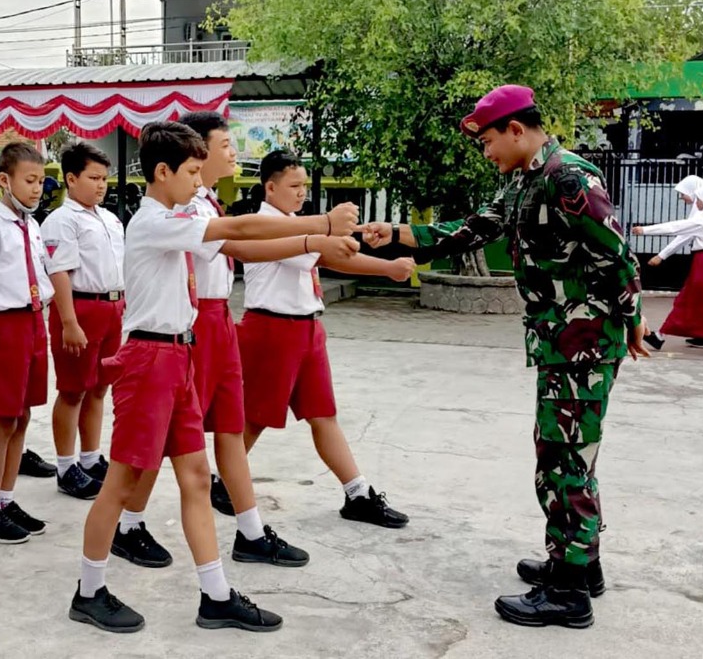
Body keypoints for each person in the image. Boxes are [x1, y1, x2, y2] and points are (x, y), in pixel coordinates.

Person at [365, 85, 650, 629]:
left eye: (489, 140)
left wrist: (632, 318)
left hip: (583, 342)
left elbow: (614, 253)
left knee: (562, 459)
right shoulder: (525, 181)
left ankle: (568, 594)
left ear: (517, 129)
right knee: (569, 454)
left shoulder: (568, 177)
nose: (486, 152)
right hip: (561, 340)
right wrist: (398, 235)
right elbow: (472, 229)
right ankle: (579, 564)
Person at [68, 120, 359, 635]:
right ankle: (89, 591)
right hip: (149, 361)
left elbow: (237, 243)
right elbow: (239, 231)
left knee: (198, 479)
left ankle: (216, 596)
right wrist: (321, 226)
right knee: (120, 482)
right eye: (194, 171)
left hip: (180, 355)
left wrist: (315, 234)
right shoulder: (154, 220)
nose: (201, 181)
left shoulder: (178, 213)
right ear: (162, 172)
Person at [239, 150, 415, 532]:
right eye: (294, 186)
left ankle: (357, 493)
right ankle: (221, 482)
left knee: (323, 414)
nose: (301, 193)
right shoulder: (267, 226)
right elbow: (322, 254)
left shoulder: (293, 223)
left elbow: (328, 251)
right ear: (270, 188)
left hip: (305, 328)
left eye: (304, 186)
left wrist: (369, 249)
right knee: (254, 418)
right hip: (272, 329)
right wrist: (378, 260)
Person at [0, 143, 53, 544]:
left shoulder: (30, 225)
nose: (37, 189)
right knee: (4, 418)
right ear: (4, 181)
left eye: (39, 181)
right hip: (6, 325)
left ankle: (5, 497)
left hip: (34, 321)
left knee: (22, 416)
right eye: (29, 180)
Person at [40, 142, 123, 502]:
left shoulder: (109, 217)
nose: (101, 185)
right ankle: (65, 465)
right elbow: (59, 272)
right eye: (93, 177)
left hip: (112, 308)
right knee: (73, 390)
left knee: (99, 387)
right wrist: (69, 323)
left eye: (104, 178)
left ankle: (90, 458)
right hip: (80, 308)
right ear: (71, 179)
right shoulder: (62, 220)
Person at [632, 175, 703, 359]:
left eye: (700, 200)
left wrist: (645, 230)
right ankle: (659, 336)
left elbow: (675, 227)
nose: (697, 203)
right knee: (688, 300)